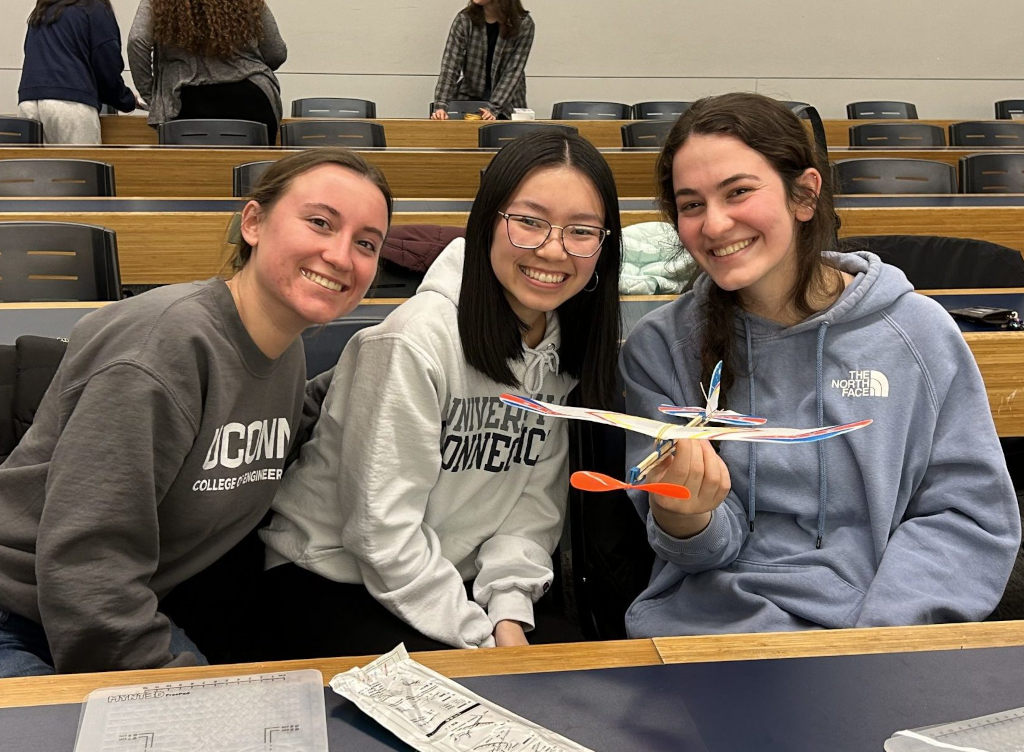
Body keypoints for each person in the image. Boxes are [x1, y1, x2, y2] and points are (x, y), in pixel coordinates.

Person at [621, 92, 1021, 637]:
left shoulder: (918, 333)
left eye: (738, 192)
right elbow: (693, 552)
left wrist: (879, 640)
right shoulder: (659, 347)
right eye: (691, 205)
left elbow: (965, 519)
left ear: (804, 195)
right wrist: (686, 518)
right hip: (705, 638)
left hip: (879, 639)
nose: (714, 224)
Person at [0, 147, 393, 677]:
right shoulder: (161, 347)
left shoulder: (283, 346)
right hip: (24, 612)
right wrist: (186, 696)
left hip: (115, 607)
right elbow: (88, 567)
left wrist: (387, 361)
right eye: (320, 223)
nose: (342, 256)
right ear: (253, 222)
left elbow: (276, 425)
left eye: (366, 243)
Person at [259, 131, 622, 655]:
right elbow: (379, 532)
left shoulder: (563, 348)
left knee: (574, 690)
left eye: (581, 231)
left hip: (457, 588)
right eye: (528, 221)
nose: (552, 249)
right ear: (488, 221)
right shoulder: (413, 342)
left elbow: (533, 507)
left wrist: (509, 612)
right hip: (330, 575)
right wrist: (478, 637)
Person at [127, 0, 286, 145]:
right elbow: (276, 53)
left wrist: (152, 95)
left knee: (188, 174)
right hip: (253, 97)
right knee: (255, 172)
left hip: (183, 100)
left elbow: (137, 40)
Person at [18, 0, 139, 145]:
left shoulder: (43, 8)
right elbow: (106, 67)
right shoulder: (94, 8)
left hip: (28, 101)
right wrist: (127, 100)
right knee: (82, 166)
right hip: (70, 106)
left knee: (29, 167)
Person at [431, 0, 534, 121]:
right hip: (470, 98)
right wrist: (441, 105)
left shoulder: (523, 23)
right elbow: (450, 66)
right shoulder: (464, 19)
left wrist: (494, 108)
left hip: (508, 102)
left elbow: (514, 71)